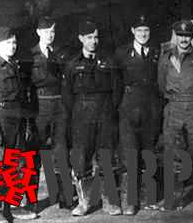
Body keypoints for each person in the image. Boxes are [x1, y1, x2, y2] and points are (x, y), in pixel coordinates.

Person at [62, 19, 121, 216]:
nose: (94, 41)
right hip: (82, 118)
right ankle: (84, 202)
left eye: (96, 37)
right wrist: (79, 113)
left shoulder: (109, 62)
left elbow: (117, 91)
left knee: (106, 159)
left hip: (104, 116)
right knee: (81, 161)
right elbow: (67, 96)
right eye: (89, 37)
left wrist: (108, 112)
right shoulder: (72, 65)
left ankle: (110, 202)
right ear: (81, 39)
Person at [0, 27, 37, 221]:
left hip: (16, 120)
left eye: (14, 42)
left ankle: (12, 207)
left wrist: (26, 123)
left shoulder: (14, 66)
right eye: (7, 43)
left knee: (15, 164)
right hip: (0, 121)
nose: (12, 46)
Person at [158, 19, 193, 211]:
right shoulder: (166, 58)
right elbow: (161, 85)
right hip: (174, 108)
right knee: (173, 154)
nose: (183, 39)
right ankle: (173, 198)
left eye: (187, 35)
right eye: (180, 35)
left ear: (192, 36)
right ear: (176, 35)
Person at [113, 14, 161, 215]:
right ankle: (129, 201)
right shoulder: (122, 53)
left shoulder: (157, 52)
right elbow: (116, 84)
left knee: (148, 153)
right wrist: (117, 109)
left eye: (146, 30)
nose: (143, 34)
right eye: (139, 30)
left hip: (150, 109)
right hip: (129, 108)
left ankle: (149, 198)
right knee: (129, 155)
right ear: (133, 31)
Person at [29, 16, 70, 208]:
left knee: (60, 151)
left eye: (53, 32)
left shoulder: (60, 55)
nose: (50, 36)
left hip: (59, 107)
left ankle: (62, 197)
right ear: (38, 33)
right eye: (46, 32)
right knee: (35, 154)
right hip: (40, 107)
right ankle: (31, 200)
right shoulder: (31, 55)